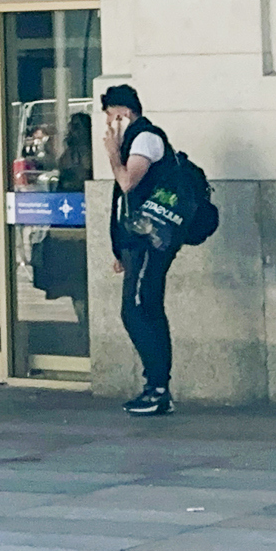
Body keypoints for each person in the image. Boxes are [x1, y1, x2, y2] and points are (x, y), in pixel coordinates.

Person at [101, 84, 175, 416]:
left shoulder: (145, 139)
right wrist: (120, 249)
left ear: (124, 114)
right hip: (137, 242)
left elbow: (128, 182)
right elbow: (124, 202)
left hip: (151, 241)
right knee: (143, 308)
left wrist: (113, 153)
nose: (107, 126)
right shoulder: (135, 140)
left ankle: (157, 388)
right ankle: (156, 386)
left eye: (110, 117)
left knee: (139, 309)